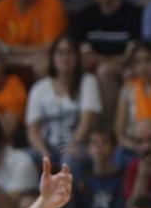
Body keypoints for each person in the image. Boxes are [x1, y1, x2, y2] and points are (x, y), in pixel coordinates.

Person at [70, 0, 141, 113]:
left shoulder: (134, 14)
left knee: (105, 70)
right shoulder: (84, 15)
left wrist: (99, 59)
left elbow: (127, 58)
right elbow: (79, 53)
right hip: (90, 70)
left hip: (122, 71)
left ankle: (108, 129)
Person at [26, 36, 100, 169]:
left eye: (70, 53)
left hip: (79, 145)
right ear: (52, 57)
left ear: (77, 57)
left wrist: (73, 143)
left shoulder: (88, 82)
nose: (65, 58)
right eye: (60, 52)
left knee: (69, 161)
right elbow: (33, 130)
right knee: (23, 158)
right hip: (46, 147)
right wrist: (43, 152)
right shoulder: (39, 88)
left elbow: (87, 120)